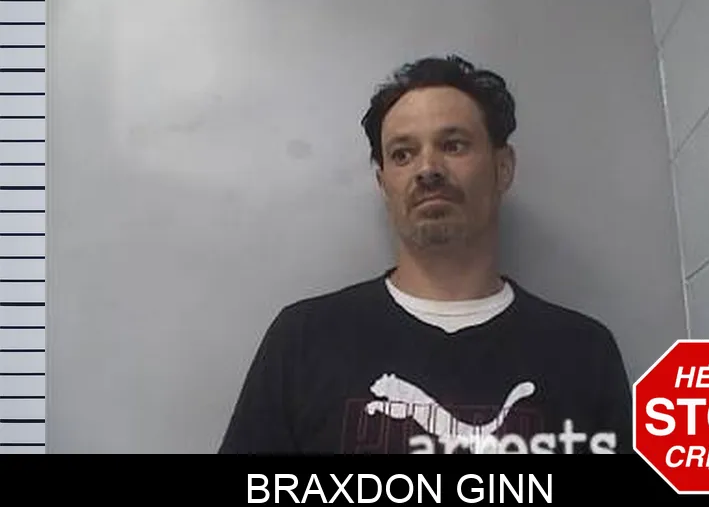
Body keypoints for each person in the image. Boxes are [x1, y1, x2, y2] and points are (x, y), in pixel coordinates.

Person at [219, 55, 632, 454]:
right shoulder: (303, 340)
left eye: (453, 145)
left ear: (503, 168)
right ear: (384, 184)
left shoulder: (583, 352)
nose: (428, 169)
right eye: (403, 154)